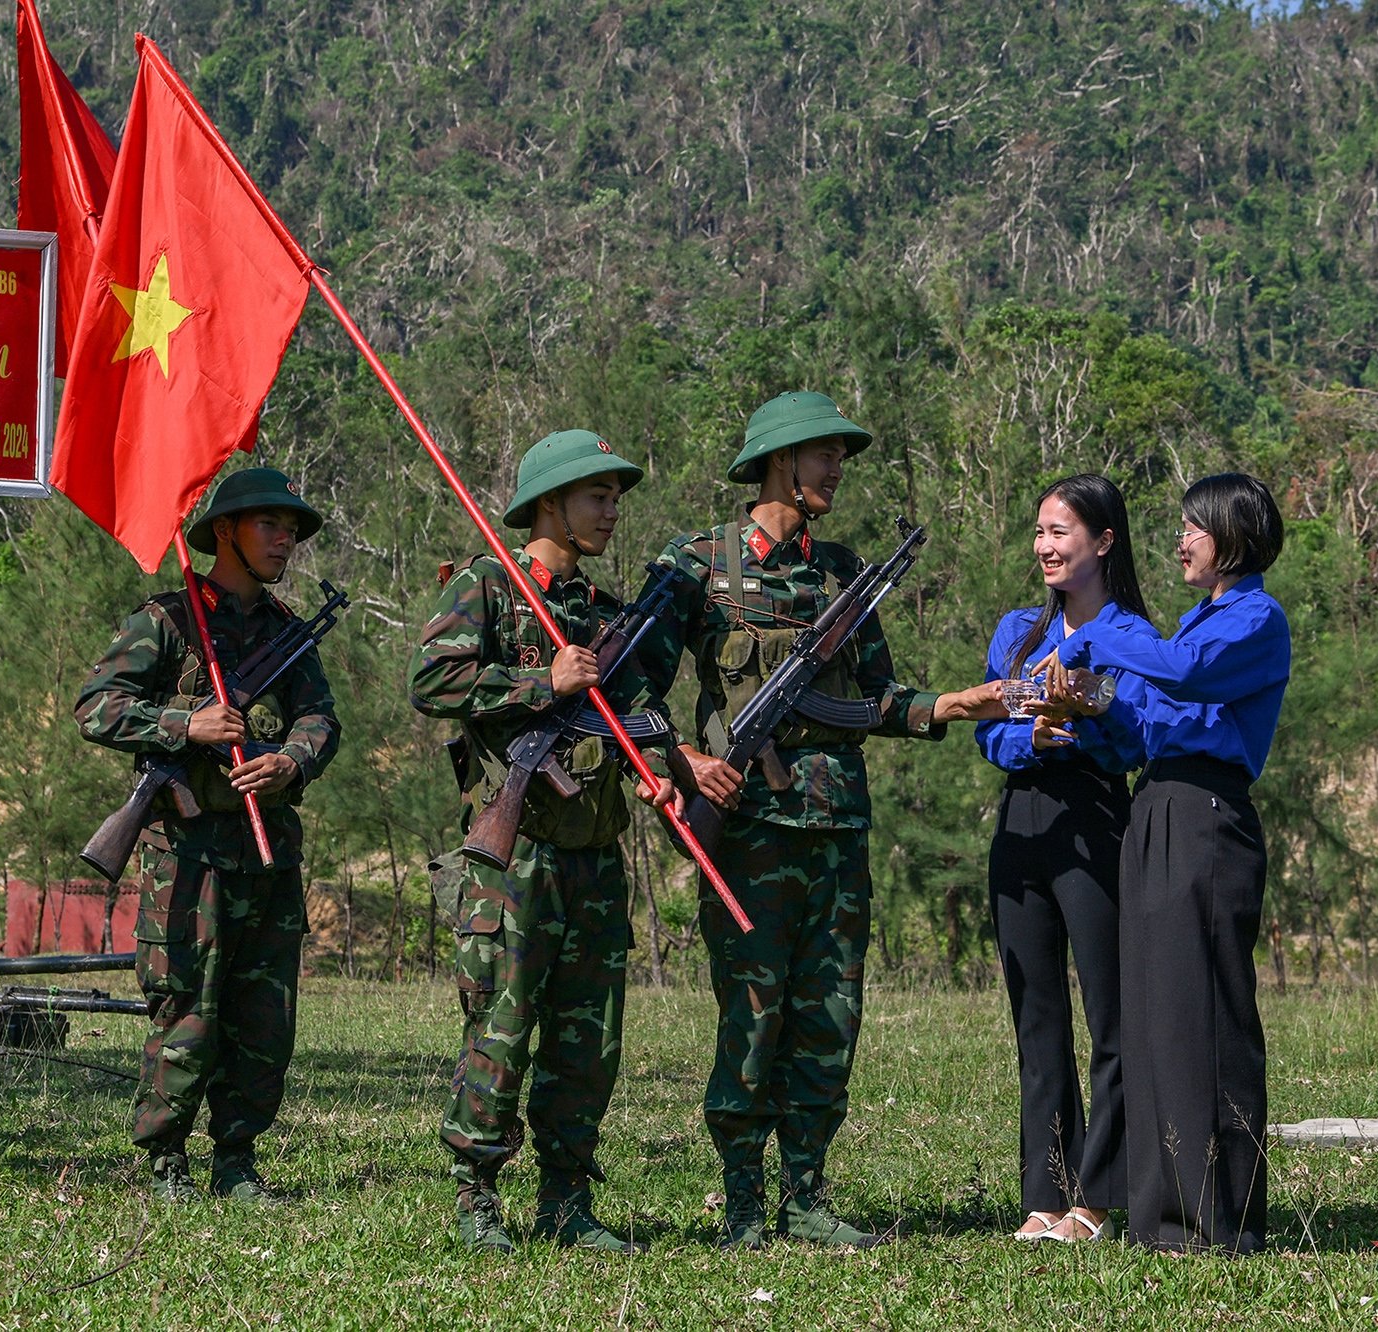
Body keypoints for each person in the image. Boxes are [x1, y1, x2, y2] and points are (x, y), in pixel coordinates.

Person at [635, 390, 1004, 1250]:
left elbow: (873, 700)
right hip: (749, 831)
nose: (838, 468)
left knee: (830, 1015)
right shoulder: (697, 565)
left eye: (842, 454)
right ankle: (740, 1204)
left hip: (836, 831)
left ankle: (805, 1195)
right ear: (776, 462)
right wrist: (682, 763)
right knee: (751, 1014)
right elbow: (628, 691)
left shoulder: (843, 575)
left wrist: (951, 702)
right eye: (823, 453)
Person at [410, 430, 678, 1254]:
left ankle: (566, 1199)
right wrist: (541, 683)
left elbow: (641, 715)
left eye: (615, 497)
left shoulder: (604, 613)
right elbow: (431, 680)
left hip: (594, 854)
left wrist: (657, 767)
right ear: (551, 504)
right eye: (596, 496)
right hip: (515, 856)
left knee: (587, 1037)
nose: (610, 511)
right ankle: (477, 1198)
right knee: (501, 1023)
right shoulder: (490, 588)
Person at [1038, 471, 1289, 1255]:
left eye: (1193, 527)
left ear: (1234, 537)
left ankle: (1217, 1216)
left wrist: (1089, 636)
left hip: (1207, 816)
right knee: (1152, 1014)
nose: (1179, 540)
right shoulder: (1193, 623)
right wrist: (1095, 700)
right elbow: (1153, 720)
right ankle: (1160, 1213)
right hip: (1157, 808)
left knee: (1202, 1014)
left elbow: (1181, 677)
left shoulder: (1254, 620)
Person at [76, 468, 341, 1205]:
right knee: (186, 1003)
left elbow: (321, 717)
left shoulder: (290, 633)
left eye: (291, 527)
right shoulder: (167, 620)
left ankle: (237, 1158)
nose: (286, 538)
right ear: (225, 531)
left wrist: (290, 760)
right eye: (270, 524)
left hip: (266, 849)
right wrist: (182, 724)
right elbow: (96, 705)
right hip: (187, 851)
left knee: (264, 1012)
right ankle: (165, 1159)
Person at [976, 474, 1149, 1243]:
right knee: (1037, 1015)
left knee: (1110, 1014)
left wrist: (1082, 720)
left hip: (1098, 815)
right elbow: (988, 731)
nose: (1045, 547)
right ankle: (1045, 1194)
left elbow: (1142, 740)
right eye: (1040, 532)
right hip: (1023, 820)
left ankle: (1100, 1197)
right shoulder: (1017, 631)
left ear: (1103, 541)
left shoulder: (1133, 636)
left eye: (1061, 532)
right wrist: (1032, 737)